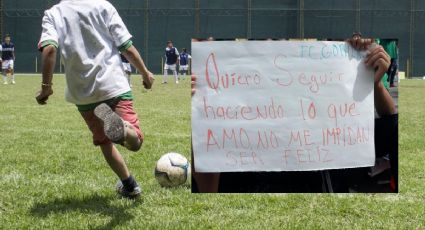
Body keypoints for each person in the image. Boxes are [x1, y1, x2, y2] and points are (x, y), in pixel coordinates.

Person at [192, 37, 397, 192]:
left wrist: (374, 83)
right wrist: (199, 116)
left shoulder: (333, 127)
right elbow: (208, 187)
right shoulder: (229, 120)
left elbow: (390, 130)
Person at [35, 0, 155, 199]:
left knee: (105, 142)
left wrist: (46, 88)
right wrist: (145, 73)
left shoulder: (53, 13)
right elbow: (126, 46)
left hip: (83, 94)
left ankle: (130, 186)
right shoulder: (103, 6)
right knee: (135, 142)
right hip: (113, 85)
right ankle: (125, 130)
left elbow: (49, 50)